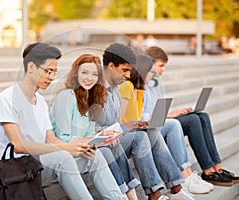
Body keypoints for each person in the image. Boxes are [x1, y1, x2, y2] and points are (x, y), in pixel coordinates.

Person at [0, 42, 124, 200]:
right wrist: (66, 147)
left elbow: (51, 139)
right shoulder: (8, 98)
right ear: (31, 67)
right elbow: (18, 145)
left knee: (94, 156)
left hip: (36, 164)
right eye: (48, 71)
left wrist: (76, 147)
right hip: (12, 169)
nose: (52, 77)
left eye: (54, 72)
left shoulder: (40, 102)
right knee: (63, 157)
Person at [96, 43, 195, 200]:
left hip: (116, 137)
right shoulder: (101, 89)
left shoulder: (116, 89)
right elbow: (103, 126)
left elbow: (119, 123)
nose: (128, 75)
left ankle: (175, 188)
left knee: (152, 132)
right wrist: (127, 127)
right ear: (111, 66)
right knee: (141, 137)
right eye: (125, 70)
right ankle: (156, 193)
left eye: (130, 70)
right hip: (104, 143)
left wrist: (134, 124)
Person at [49, 54, 140, 200]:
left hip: (78, 152)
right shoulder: (66, 97)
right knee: (100, 154)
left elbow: (88, 134)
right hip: (59, 154)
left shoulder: (89, 99)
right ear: (76, 73)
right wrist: (90, 141)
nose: (89, 78)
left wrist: (101, 136)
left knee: (99, 153)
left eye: (94, 74)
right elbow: (62, 138)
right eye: (84, 72)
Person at [145, 46, 239, 187]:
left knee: (202, 116)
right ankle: (208, 171)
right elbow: (145, 115)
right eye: (161, 66)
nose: (163, 69)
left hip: (163, 120)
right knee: (193, 120)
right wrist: (171, 115)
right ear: (149, 64)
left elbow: (158, 108)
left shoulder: (156, 82)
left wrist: (176, 112)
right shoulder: (141, 83)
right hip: (154, 125)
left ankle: (217, 168)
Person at [119, 54, 213, 194]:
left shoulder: (140, 90)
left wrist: (144, 122)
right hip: (126, 134)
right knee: (158, 131)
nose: (153, 75)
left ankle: (177, 184)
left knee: (159, 129)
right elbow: (120, 121)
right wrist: (137, 124)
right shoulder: (127, 87)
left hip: (136, 130)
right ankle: (173, 185)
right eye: (151, 72)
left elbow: (139, 116)